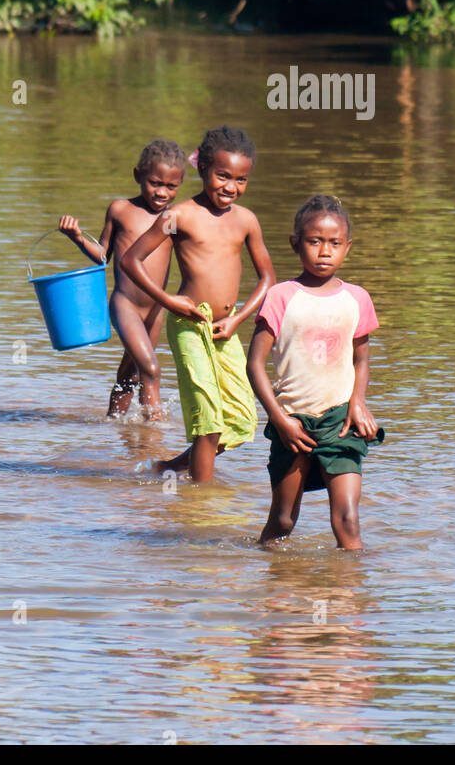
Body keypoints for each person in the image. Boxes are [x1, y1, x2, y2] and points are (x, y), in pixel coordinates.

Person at [121, 125, 275, 482]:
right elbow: (132, 260)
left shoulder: (246, 220)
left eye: (241, 179)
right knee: (207, 420)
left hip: (227, 328)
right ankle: (199, 505)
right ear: (203, 168)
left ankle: (170, 468)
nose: (231, 187)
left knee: (238, 417)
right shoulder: (181, 215)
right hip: (190, 324)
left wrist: (238, 320)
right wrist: (169, 301)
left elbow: (268, 279)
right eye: (223, 176)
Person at [247, 194, 382, 551]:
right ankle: (271, 585)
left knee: (348, 519)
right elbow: (255, 364)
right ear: (296, 244)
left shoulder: (357, 299)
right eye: (315, 241)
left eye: (335, 243)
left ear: (347, 247)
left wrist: (358, 402)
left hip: (341, 420)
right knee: (283, 521)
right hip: (292, 422)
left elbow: (361, 360)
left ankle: (351, 596)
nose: (325, 251)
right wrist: (279, 419)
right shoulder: (280, 296)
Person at [58, 139, 185, 419]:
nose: (162, 192)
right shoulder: (121, 210)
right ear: (137, 175)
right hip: (125, 305)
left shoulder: (175, 217)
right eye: (154, 183)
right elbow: (103, 255)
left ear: (181, 184)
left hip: (156, 309)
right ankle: (154, 435)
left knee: (133, 372)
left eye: (171, 186)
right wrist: (77, 237)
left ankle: (114, 427)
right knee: (151, 368)